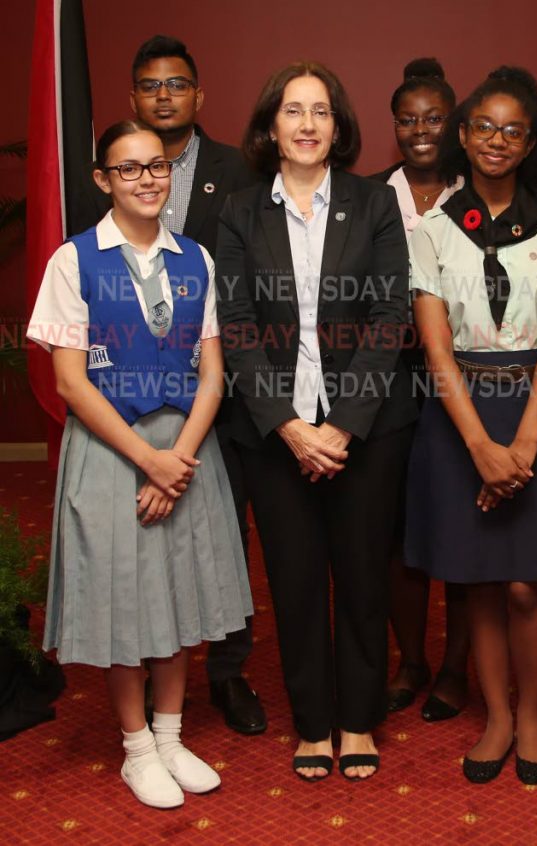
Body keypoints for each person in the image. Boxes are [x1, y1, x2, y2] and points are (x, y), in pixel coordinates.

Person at [27, 120, 253, 809]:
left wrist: (177, 461)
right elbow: (70, 383)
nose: (147, 179)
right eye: (129, 169)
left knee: (179, 591)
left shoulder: (195, 259)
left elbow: (213, 374)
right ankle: (135, 747)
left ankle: (172, 733)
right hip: (113, 450)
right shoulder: (75, 261)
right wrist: (148, 462)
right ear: (104, 180)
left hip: (185, 446)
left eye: (156, 167)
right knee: (125, 597)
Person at [215, 61, 416, 782]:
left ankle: (358, 719)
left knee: (363, 577)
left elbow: (392, 316)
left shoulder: (374, 204)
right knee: (295, 582)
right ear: (271, 126)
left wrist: (342, 426)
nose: (306, 125)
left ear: (339, 126)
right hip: (272, 435)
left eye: (321, 111)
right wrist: (289, 426)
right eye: (293, 111)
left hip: (365, 429)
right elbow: (234, 325)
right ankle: (312, 723)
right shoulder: (240, 211)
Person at [404, 66, 537, 785]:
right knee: (480, 581)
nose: (495, 140)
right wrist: (481, 446)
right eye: (483, 126)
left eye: (511, 130)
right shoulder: (434, 231)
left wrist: (521, 445)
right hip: (459, 420)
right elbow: (435, 348)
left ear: (530, 142)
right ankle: (497, 717)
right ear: (463, 135)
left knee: (526, 585)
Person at [127, 34, 265, 735]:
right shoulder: (118, 165)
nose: (163, 95)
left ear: (197, 96)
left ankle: (228, 671)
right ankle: (157, 670)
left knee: (226, 531)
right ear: (135, 98)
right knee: (151, 528)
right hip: (140, 390)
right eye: (150, 85)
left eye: (176, 84)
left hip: (227, 383)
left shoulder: (238, 171)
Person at [370, 58, 469, 722]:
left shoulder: (483, 191)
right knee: (398, 535)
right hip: (392, 382)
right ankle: (411, 659)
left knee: (465, 529)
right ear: (395, 125)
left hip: (471, 377)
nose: (421, 130)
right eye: (408, 119)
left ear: (454, 121)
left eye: (434, 118)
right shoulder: (370, 196)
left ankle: (458, 669)